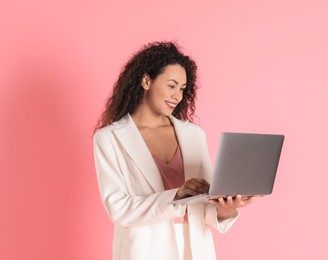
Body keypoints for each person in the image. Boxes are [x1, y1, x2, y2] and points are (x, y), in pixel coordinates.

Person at [93, 41, 255, 260]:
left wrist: (225, 209)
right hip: (144, 251)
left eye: (182, 89)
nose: (177, 96)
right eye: (171, 86)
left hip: (195, 250)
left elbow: (205, 202)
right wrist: (176, 196)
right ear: (146, 80)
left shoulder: (193, 135)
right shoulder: (110, 138)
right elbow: (119, 209)